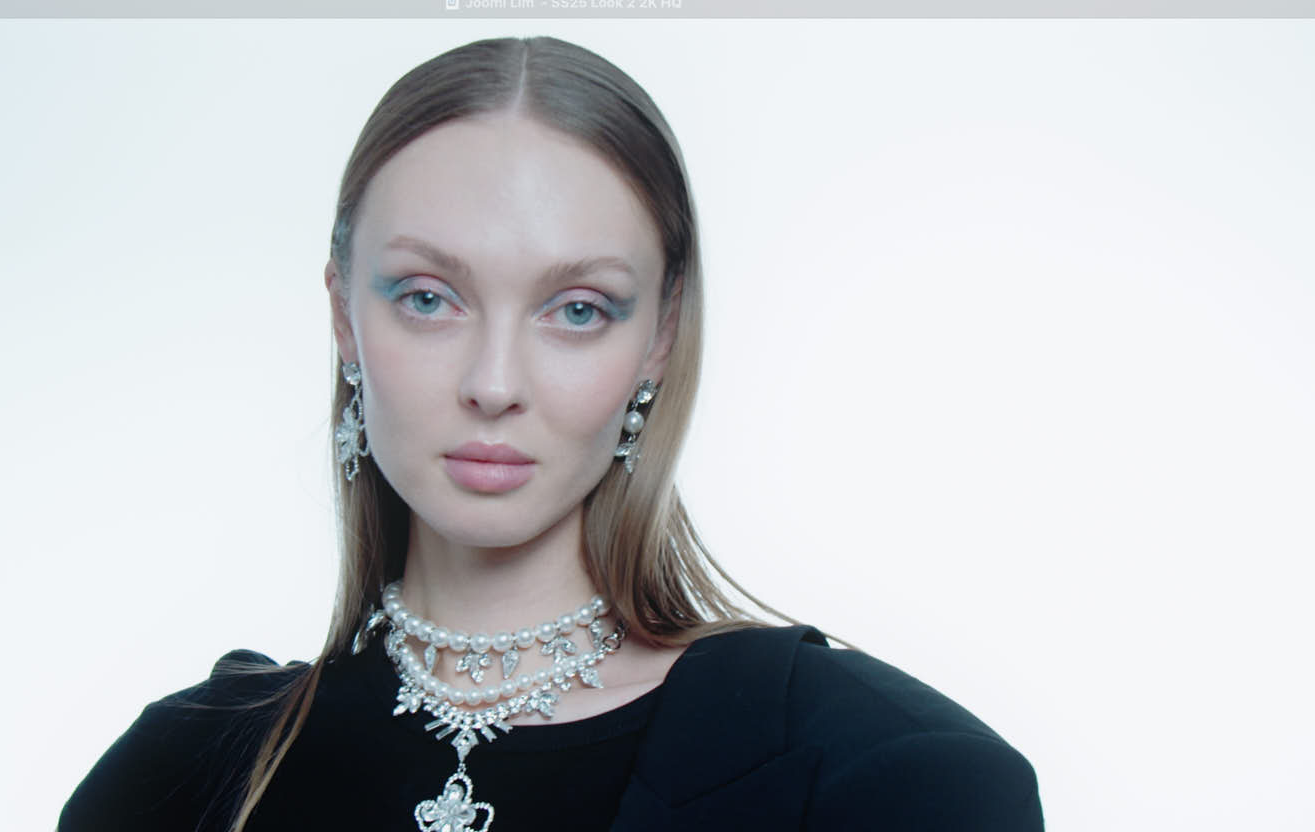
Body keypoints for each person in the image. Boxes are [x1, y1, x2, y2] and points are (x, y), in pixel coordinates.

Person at [57, 35, 1043, 832]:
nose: (494, 384)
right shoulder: (180, 776)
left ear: (660, 336)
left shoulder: (886, 774)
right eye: (428, 297)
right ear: (344, 316)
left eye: (577, 310)